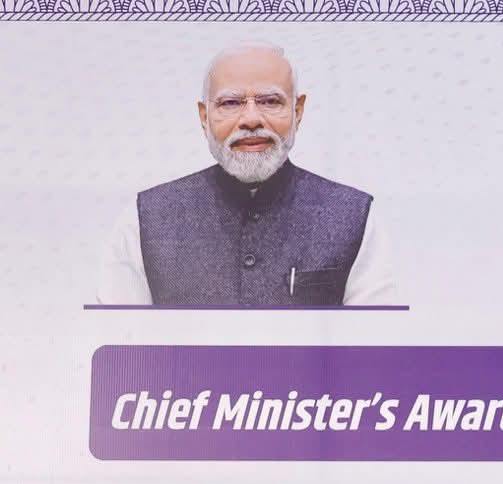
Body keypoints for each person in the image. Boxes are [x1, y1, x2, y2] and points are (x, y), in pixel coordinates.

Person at [98, 42, 395, 306]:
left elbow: (378, 344)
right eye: (230, 103)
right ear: (204, 117)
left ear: (298, 111)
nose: (251, 119)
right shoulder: (144, 220)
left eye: (270, 101)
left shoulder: (355, 217)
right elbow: (118, 343)